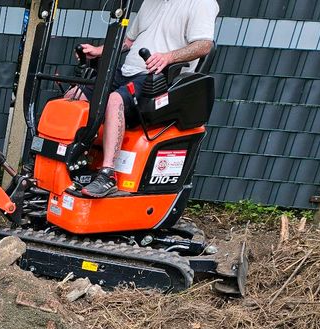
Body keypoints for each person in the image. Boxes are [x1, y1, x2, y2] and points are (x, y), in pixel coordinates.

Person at [74, 0, 219, 197]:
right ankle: (67, 160)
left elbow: (204, 45)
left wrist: (168, 57)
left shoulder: (202, 3)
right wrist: (99, 51)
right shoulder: (151, 1)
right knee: (74, 95)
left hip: (159, 78)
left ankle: (107, 174)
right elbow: (129, 41)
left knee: (115, 100)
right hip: (126, 71)